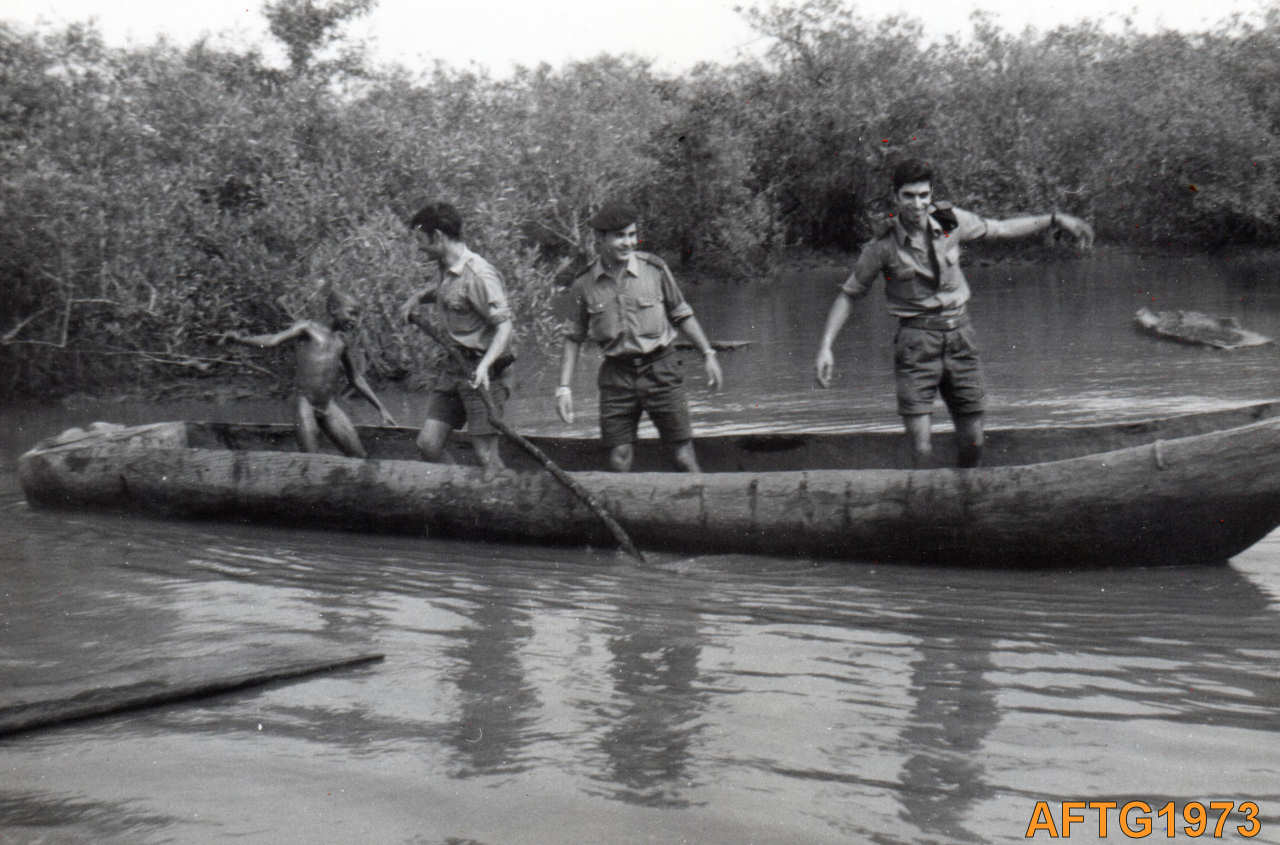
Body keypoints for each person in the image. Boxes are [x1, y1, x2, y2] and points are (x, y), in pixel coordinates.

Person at [815, 158, 1094, 468]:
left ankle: (966, 493)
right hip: (916, 342)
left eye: (924, 195)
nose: (917, 204)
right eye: (909, 196)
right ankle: (923, 493)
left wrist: (1055, 219)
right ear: (896, 197)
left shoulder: (949, 221)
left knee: (974, 442)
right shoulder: (884, 246)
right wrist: (826, 347)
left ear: (931, 195)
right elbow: (849, 294)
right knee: (921, 448)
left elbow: (1000, 228)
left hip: (961, 336)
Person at [556, 200, 723, 473]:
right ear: (600, 239)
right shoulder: (583, 284)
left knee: (682, 454)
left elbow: (681, 314)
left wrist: (708, 353)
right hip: (616, 376)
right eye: (620, 236)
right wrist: (563, 388)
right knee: (618, 457)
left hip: (661, 369)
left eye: (632, 234)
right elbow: (573, 338)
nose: (629, 242)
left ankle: (701, 498)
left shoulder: (654, 269)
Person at [400, 201, 515, 476]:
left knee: (487, 457)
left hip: (483, 371)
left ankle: (498, 488)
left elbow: (505, 327)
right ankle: (457, 488)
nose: (419, 248)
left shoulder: (480, 275)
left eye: (421, 240)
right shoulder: (445, 266)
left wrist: (485, 366)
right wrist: (417, 298)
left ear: (438, 237)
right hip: (454, 367)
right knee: (428, 445)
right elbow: (447, 291)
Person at [222, 286, 396, 458]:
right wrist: (240, 339)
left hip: (327, 406)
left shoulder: (342, 342)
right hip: (304, 403)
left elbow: (356, 378)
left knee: (359, 456)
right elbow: (273, 340)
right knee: (312, 460)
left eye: (357, 316)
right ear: (334, 309)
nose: (354, 320)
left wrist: (381, 409)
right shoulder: (308, 328)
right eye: (351, 313)